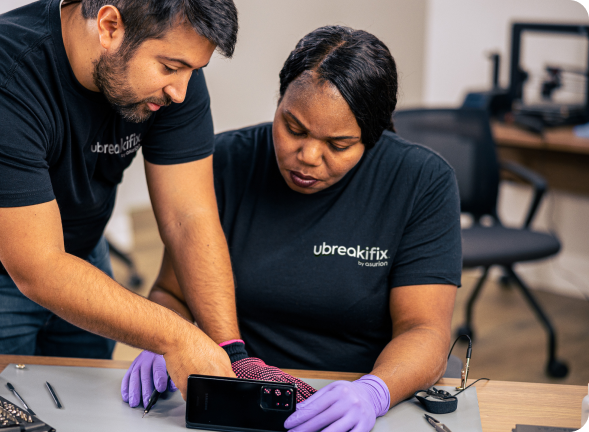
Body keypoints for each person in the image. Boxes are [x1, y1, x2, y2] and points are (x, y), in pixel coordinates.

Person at [0, 0, 243, 396]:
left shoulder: (174, 74)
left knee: (84, 407)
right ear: (110, 26)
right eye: (169, 68)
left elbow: (189, 216)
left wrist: (231, 349)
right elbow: (41, 268)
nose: (180, 91)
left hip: (80, 253)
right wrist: (176, 337)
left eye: (192, 70)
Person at [122, 25, 461, 431]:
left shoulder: (420, 182)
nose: (308, 157)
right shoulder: (226, 163)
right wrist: (164, 337)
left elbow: (424, 329)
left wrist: (374, 391)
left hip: (348, 403)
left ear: (371, 137)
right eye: (293, 128)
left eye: (338, 145)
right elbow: (172, 292)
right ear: (279, 100)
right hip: (236, 397)